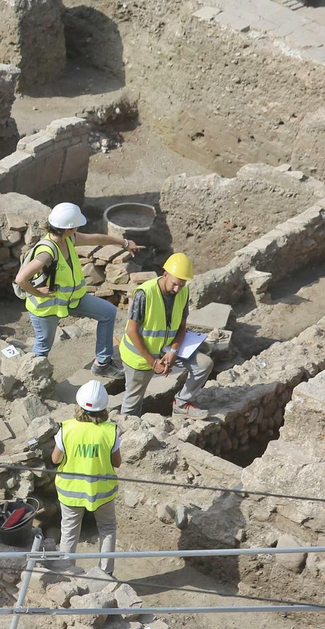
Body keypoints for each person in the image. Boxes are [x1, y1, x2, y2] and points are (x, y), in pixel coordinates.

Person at [14, 202, 138, 376]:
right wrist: (37, 292)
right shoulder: (47, 252)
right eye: (76, 226)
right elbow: (20, 279)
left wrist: (123, 242)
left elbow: (95, 239)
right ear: (67, 229)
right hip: (46, 307)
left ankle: (102, 364)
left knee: (108, 312)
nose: (79, 228)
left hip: (71, 300)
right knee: (43, 347)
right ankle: (32, 380)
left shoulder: (68, 238)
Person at [119, 253, 214, 417]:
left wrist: (173, 352)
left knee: (204, 364)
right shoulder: (144, 294)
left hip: (167, 349)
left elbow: (182, 326)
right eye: (175, 284)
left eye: (182, 284)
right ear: (165, 274)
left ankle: (182, 403)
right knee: (132, 404)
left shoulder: (182, 292)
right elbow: (131, 330)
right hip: (140, 356)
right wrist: (153, 362)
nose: (177, 289)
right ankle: (125, 434)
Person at [52, 380, 120, 575]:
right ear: (104, 408)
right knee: (107, 528)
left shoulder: (67, 428)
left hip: (70, 491)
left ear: (79, 405)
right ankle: (106, 573)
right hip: (102, 492)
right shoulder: (110, 431)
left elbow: (56, 459)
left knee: (69, 531)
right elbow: (117, 463)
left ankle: (66, 573)